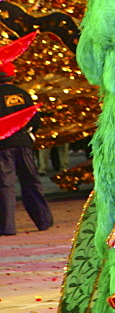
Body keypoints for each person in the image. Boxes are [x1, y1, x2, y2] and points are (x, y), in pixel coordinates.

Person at [0, 62, 53, 235]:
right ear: (13, 76)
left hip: (3, 145)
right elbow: (34, 119)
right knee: (31, 181)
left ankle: (7, 226)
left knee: (6, 185)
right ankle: (43, 221)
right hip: (24, 143)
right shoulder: (23, 94)